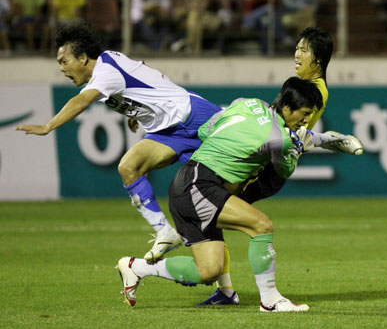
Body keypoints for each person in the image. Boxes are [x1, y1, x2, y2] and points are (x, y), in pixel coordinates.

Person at [15, 22, 222, 263]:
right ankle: (164, 231)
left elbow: (81, 102)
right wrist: (133, 114)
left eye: (64, 61)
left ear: (82, 58)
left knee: (224, 194)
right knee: (128, 167)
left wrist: (47, 126)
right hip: (167, 131)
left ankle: (229, 284)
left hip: (196, 117)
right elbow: (141, 81)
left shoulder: (105, 72)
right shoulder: (104, 70)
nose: (61, 69)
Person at [116, 76, 323, 312]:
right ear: (287, 107)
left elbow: (206, 129)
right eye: (305, 113)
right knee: (261, 226)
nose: (307, 120)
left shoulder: (249, 103)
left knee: (208, 271)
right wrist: (298, 150)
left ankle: (136, 268)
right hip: (199, 186)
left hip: (186, 185)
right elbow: (284, 170)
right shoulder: (279, 138)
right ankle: (271, 300)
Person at [198, 26, 362, 306]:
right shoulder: (309, 87)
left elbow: (290, 137)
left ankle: (225, 289)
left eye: (304, 50)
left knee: (211, 213)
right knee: (213, 215)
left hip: (267, 170)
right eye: (297, 47)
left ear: (318, 60)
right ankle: (225, 290)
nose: (296, 54)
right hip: (269, 165)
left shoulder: (312, 93)